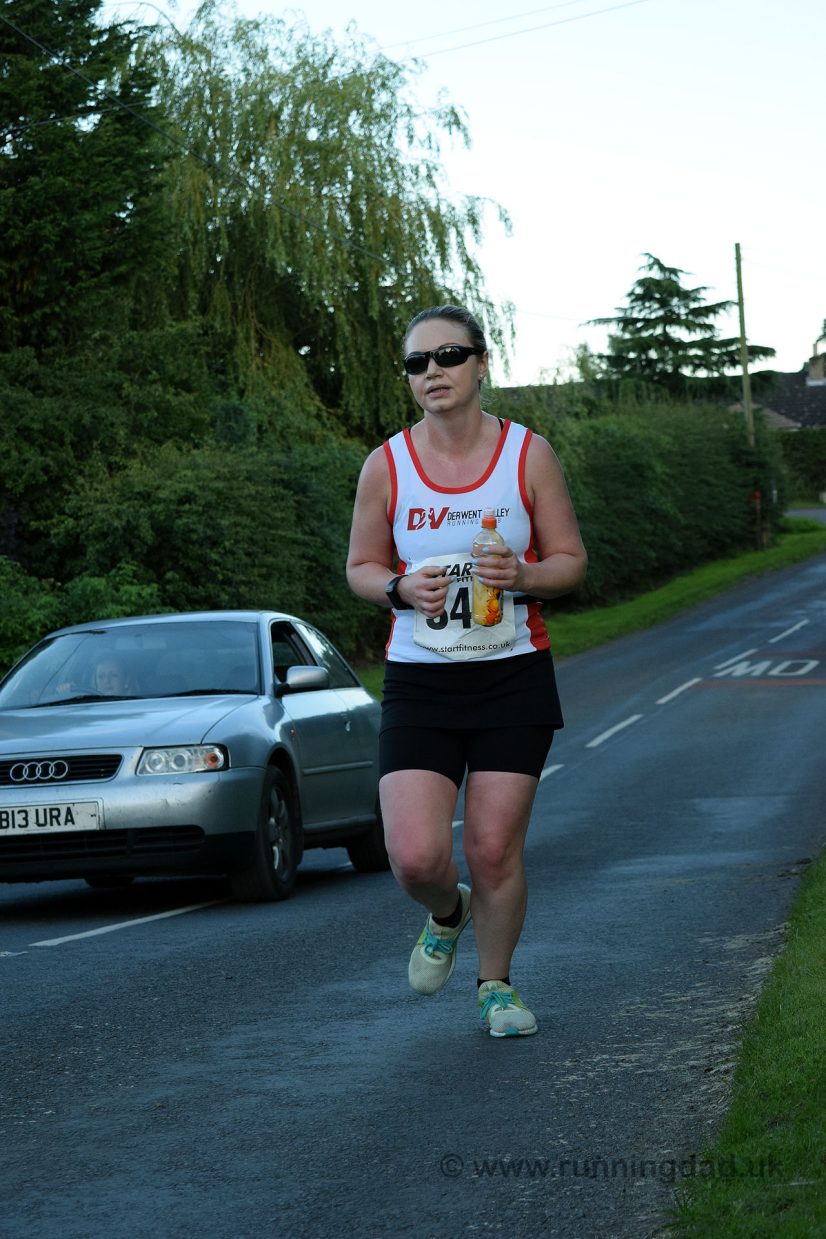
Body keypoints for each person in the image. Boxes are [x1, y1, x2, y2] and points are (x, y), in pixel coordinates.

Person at [346, 304, 587, 1037]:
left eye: (448, 356)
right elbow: (360, 565)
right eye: (417, 363)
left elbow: (571, 564)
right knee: (415, 853)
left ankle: (496, 986)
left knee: (491, 846)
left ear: (482, 363)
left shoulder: (528, 455)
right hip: (421, 679)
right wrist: (395, 588)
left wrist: (521, 573)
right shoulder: (386, 465)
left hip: (513, 672)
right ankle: (445, 911)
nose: (433, 373)